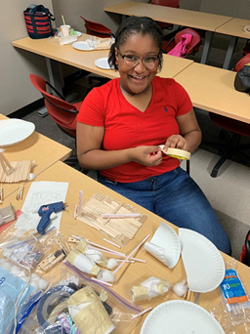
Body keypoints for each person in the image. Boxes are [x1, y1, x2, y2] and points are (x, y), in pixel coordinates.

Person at [76, 16, 231, 255]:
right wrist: (130, 155)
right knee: (114, 258)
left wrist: (184, 143)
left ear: (159, 60)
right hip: (121, 187)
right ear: (117, 56)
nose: (140, 68)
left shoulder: (173, 90)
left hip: (172, 182)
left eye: (150, 59)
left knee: (220, 250)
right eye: (131, 57)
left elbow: (193, 132)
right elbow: (86, 157)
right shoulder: (98, 99)